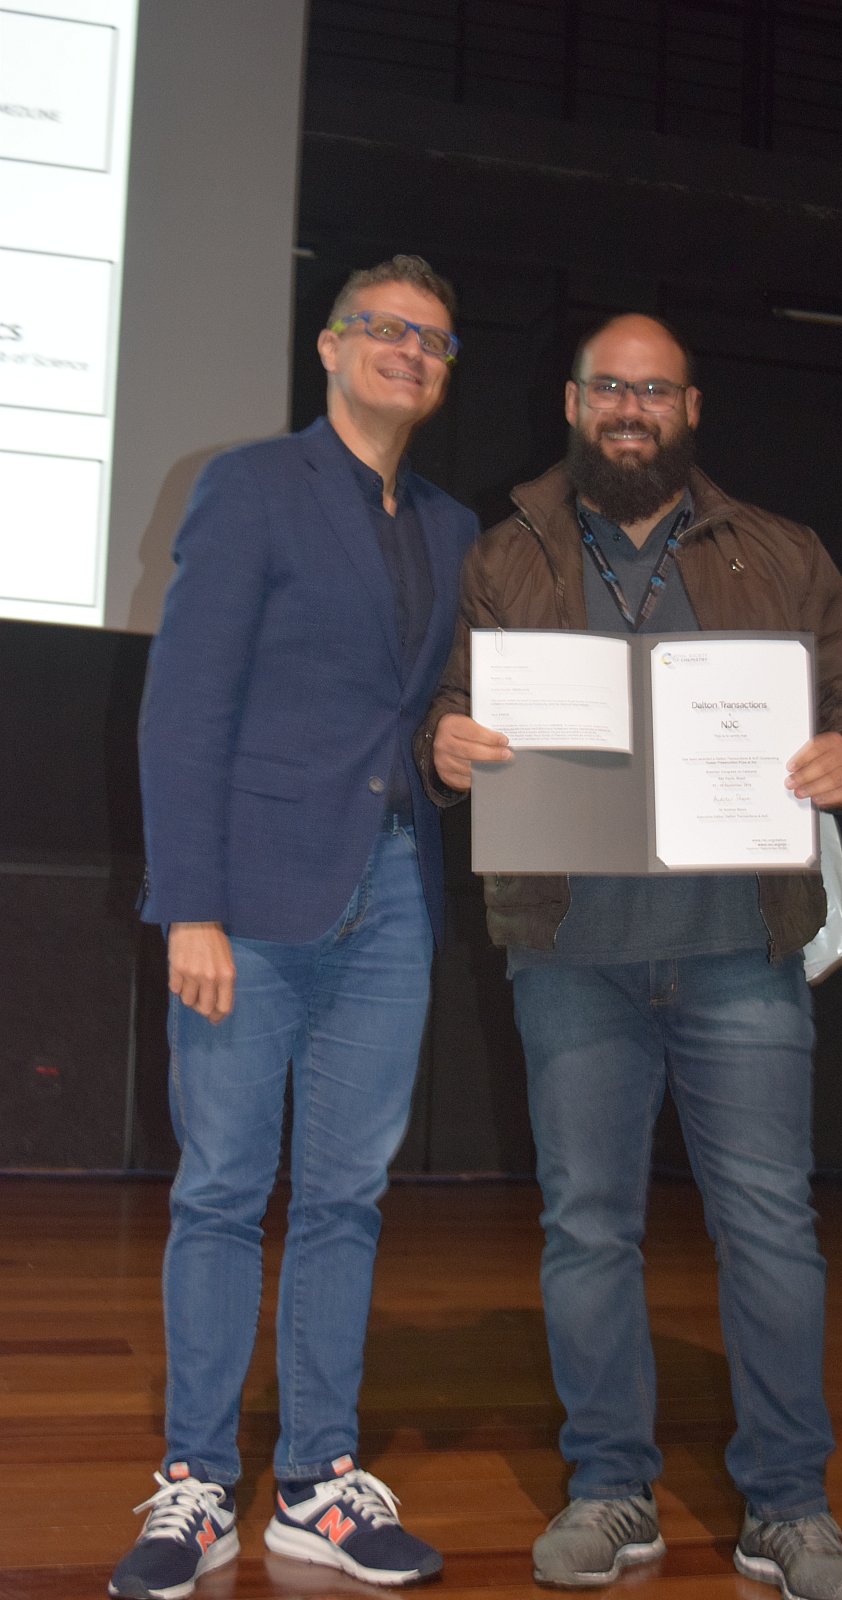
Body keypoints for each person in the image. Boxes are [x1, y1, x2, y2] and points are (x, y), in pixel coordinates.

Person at [419, 314, 842, 1599]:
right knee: (586, 1229)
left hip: (740, 950)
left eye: (653, 390)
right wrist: (446, 744)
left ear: (690, 408)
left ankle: (786, 1508)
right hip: (570, 956)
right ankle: (610, 1489)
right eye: (607, 389)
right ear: (570, 403)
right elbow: (452, 706)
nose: (628, 408)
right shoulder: (503, 553)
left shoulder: (782, 551)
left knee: (770, 1232)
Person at [110, 255, 478, 1600]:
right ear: (329, 347)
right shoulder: (252, 484)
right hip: (248, 903)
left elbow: (410, 720)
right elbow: (184, 707)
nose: (408, 351)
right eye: (384, 328)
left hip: (392, 894)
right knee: (219, 1189)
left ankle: (317, 1483)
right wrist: (189, 904)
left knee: (344, 1198)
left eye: (432, 340)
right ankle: (197, 1484)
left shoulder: (450, 526)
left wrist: (449, 750)